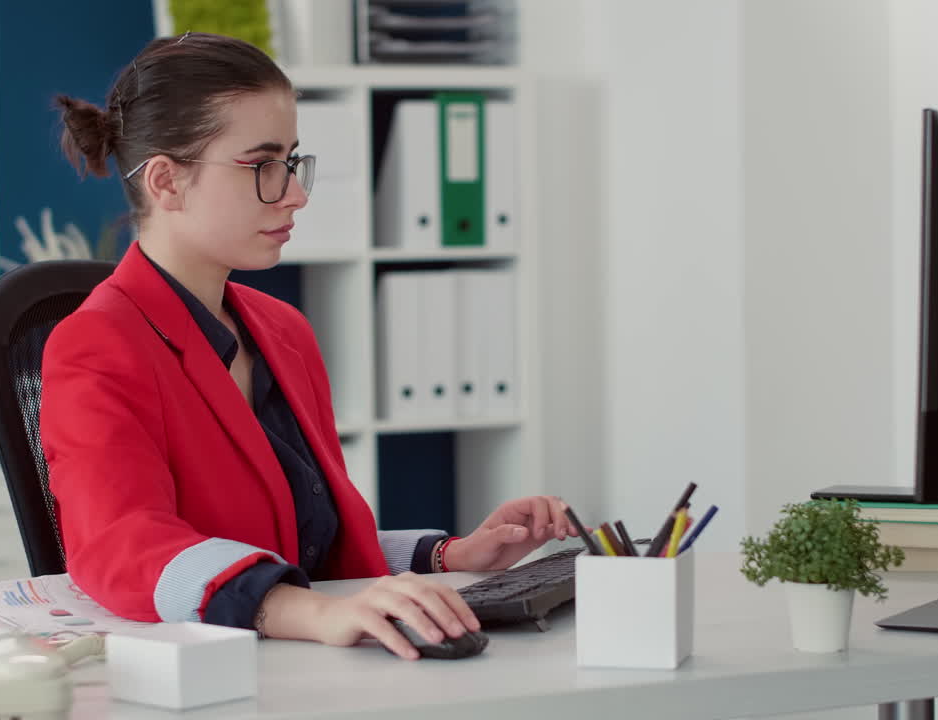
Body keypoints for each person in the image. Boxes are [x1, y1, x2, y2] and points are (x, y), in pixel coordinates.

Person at [39, 32, 579, 661]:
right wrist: (312, 613)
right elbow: (120, 543)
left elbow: (308, 543)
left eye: (292, 162)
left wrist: (451, 556)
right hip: (215, 676)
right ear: (166, 182)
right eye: (263, 166)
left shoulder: (282, 331)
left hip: (313, 667)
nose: (295, 194)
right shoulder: (95, 344)